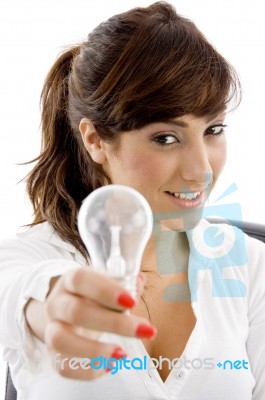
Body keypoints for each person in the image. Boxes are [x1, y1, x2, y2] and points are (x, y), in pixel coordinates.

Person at [0, 2, 265, 399]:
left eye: (213, 129)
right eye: (165, 138)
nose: (201, 170)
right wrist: (51, 305)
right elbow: (22, 295)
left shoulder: (249, 265)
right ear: (94, 140)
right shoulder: (26, 259)